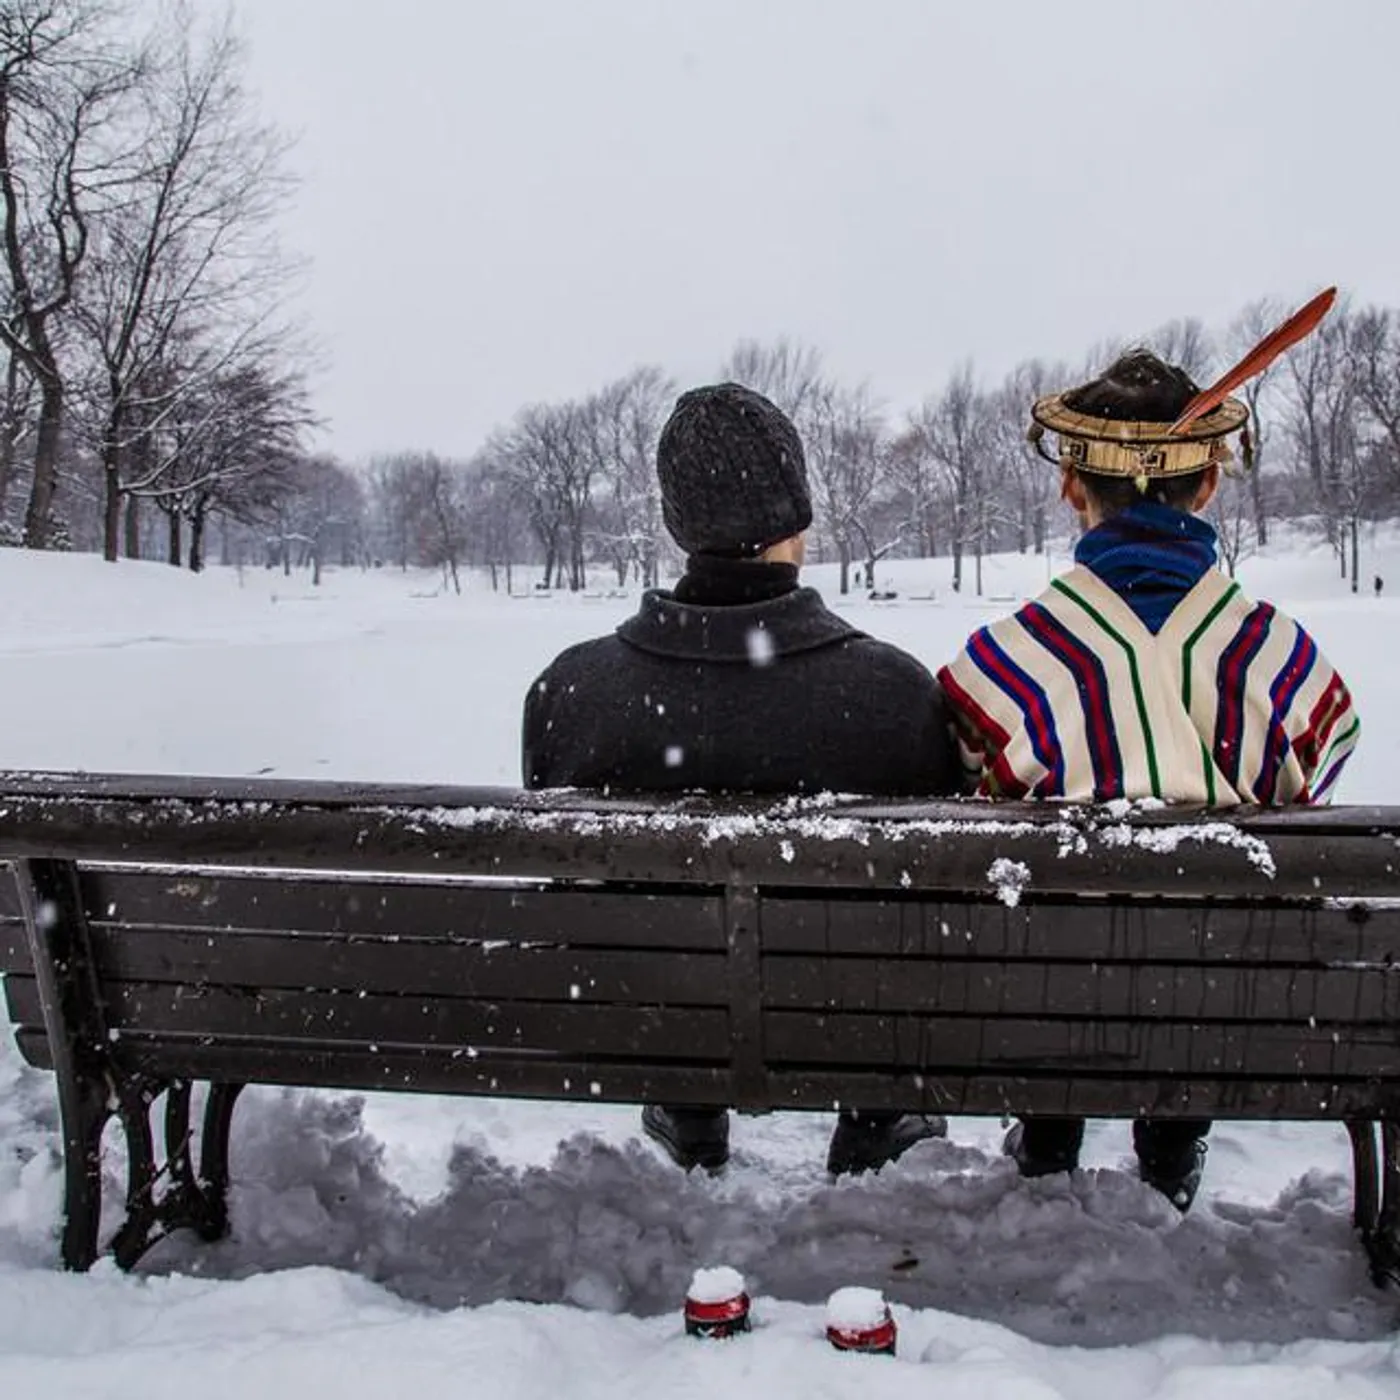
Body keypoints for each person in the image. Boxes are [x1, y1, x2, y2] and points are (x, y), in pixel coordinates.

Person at [937, 349, 1360, 1211]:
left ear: (1071, 490)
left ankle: (1050, 1124)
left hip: (1040, 1009)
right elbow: (1316, 771)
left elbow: (965, 785)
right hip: (1221, 1016)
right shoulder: (1284, 662)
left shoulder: (998, 666)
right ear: (1208, 489)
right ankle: (1175, 1133)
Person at [524, 382, 959, 1177]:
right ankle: (872, 1115)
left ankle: (690, 1102)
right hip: (856, 1027)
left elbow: (569, 888)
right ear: (799, 517)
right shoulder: (894, 694)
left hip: (648, 1019)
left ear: (677, 524)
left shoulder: (573, 692)